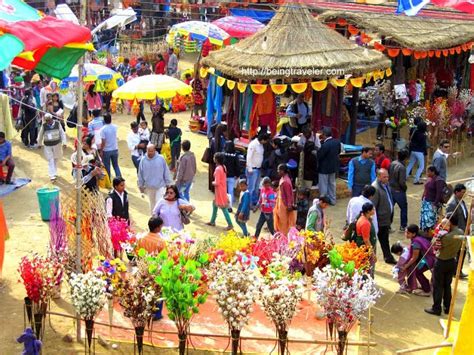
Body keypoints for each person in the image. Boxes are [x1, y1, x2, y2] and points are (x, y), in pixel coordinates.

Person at [425, 215, 464, 316]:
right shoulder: (460, 232)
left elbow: (433, 244)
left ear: (449, 223)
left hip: (441, 261)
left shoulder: (445, 236)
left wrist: (438, 231)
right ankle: (447, 308)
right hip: (452, 261)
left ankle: (436, 308)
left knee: (438, 286)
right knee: (447, 285)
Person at [400, 224, 436, 296]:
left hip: (428, 260)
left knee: (417, 272)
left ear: (414, 234)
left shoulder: (416, 243)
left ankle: (427, 290)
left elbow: (414, 258)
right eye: (406, 232)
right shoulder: (418, 238)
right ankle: (425, 286)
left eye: (408, 233)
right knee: (418, 271)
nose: (406, 234)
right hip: (429, 258)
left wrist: (405, 266)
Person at [138, 144, 173, 214]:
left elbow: (166, 171)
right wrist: (140, 185)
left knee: (159, 203)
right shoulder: (143, 160)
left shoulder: (161, 158)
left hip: (160, 186)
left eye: (151, 151)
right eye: (148, 151)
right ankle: (154, 220)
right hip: (149, 187)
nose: (150, 153)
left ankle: (160, 219)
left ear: (155, 151)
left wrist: (168, 183)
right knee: (152, 204)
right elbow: (140, 174)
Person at [372, 168, 397, 264]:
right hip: (380, 220)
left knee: (384, 239)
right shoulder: (375, 188)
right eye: (384, 177)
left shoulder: (386, 185)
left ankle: (387, 256)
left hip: (386, 219)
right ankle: (388, 257)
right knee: (383, 240)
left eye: (387, 176)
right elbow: (373, 206)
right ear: (378, 177)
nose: (387, 178)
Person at [446, 184, 468, 278]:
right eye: (462, 192)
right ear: (456, 192)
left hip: (463, 230)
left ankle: (457, 270)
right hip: (457, 232)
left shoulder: (461, 201)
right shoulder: (452, 204)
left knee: (462, 252)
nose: (464, 194)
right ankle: (456, 271)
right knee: (459, 252)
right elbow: (450, 220)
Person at [207, 153, 233, 230]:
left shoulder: (218, 169)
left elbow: (217, 182)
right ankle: (212, 221)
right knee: (215, 204)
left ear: (217, 160)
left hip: (219, 190)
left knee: (223, 207)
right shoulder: (223, 167)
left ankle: (230, 224)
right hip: (222, 189)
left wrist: (212, 183)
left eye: (214, 158)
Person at [37, 114, 67, 181]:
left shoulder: (57, 123)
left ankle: (54, 173)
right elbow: (40, 135)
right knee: (50, 159)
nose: (48, 121)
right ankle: (52, 175)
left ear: (51, 119)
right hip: (48, 145)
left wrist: (64, 143)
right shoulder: (44, 126)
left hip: (57, 144)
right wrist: (39, 143)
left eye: (49, 120)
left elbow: (62, 133)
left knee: (56, 158)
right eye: (46, 120)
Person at [318, 127, 341, 205]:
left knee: (323, 185)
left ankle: (323, 201)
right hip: (333, 167)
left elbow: (320, 156)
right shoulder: (337, 142)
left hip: (324, 168)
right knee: (332, 184)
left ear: (324, 135)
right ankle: (333, 200)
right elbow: (338, 152)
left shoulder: (325, 145)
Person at [246, 132, 269, 207]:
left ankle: (254, 202)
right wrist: (249, 168)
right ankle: (248, 204)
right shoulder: (253, 144)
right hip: (253, 169)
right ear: (262, 140)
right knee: (251, 188)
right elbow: (249, 156)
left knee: (256, 187)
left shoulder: (261, 145)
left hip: (258, 169)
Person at [420, 166, 445, 231]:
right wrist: (423, 196)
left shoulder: (438, 180)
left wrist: (435, 203)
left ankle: (430, 232)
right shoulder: (429, 179)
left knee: (430, 219)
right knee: (425, 218)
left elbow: (439, 193)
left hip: (432, 203)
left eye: (428, 172)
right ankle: (425, 230)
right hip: (426, 202)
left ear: (433, 172)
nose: (427, 173)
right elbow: (426, 188)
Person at [274, 164, 297, 235]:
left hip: (284, 205)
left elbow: (289, 195)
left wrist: (289, 206)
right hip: (280, 203)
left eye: (279, 170)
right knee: (280, 221)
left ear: (283, 171)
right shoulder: (283, 179)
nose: (278, 171)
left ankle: (284, 237)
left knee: (283, 222)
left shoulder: (285, 181)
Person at [389, 149, 409, 232]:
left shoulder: (392, 163)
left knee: (390, 208)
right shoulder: (402, 167)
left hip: (391, 189)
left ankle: (388, 225)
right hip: (399, 191)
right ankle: (403, 226)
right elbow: (401, 182)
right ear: (405, 158)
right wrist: (404, 188)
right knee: (404, 208)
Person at [100, 113, 122, 178]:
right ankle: (119, 178)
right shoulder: (115, 127)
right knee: (116, 165)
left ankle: (109, 181)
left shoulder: (103, 129)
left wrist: (101, 150)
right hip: (115, 148)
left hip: (106, 150)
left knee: (107, 166)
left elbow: (103, 141)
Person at [406, 120, 428, 185]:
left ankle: (405, 176)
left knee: (410, 164)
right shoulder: (423, 136)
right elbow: (424, 145)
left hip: (413, 150)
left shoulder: (414, 132)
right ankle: (416, 180)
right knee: (421, 166)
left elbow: (411, 140)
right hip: (419, 152)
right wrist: (425, 153)